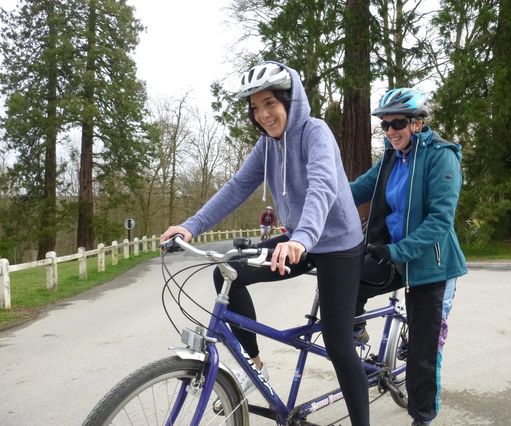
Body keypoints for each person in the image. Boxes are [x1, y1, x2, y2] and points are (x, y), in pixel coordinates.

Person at [160, 61, 369, 425]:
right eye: (255, 108)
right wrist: (191, 226)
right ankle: (254, 365)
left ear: (290, 100)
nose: (263, 115)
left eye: (270, 103)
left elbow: (322, 186)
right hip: (299, 238)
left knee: (338, 344)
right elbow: (237, 186)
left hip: (337, 243)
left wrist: (301, 239)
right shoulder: (267, 145)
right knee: (229, 275)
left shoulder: (315, 132)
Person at [349, 88, 467, 426]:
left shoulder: (440, 156)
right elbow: (356, 189)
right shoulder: (390, 156)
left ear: (417, 122)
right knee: (348, 275)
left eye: (397, 123)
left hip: (433, 266)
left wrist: (397, 251)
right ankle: (356, 330)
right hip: (397, 256)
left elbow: (440, 221)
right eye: (384, 125)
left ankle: (422, 417)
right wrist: (318, 201)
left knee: (422, 353)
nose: (390, 131)